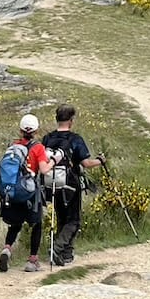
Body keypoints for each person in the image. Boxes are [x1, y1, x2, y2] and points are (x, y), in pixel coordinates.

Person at [0, 113, 61, 273]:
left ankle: (7, 249)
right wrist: (55, 160)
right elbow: (45, 170)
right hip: (30, 194)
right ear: (36, 130)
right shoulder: (38, 148)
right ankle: (32, 261)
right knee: (36, 225)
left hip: (13, 192)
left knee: (15, 225)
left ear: (20, 130)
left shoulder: (14, 146)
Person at [42, 104, 105, 266]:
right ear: (71, 121)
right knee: (74, 220)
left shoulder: (47, 138)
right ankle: (57, 248)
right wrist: (100, 161)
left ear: (57, 119)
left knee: (62, 217)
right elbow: (86, 163)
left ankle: (66, 254)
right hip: (70, 184)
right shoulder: (75, 139)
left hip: (51, 185)